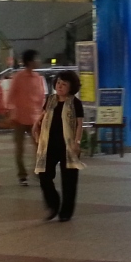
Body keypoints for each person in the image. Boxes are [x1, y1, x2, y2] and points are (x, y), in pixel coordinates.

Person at [35, 70, 85, 222]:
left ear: (71, 87)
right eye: (58, 83)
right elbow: (43, 115)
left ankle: (65, 213)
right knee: (44, 175)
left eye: (64, 84)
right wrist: (36, 124)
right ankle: (53, 204)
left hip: (68, 145)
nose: (60, 86)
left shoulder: (75, 103)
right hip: (49, 144)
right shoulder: (50, 100)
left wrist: (77, 142)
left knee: (69, 179)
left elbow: (79, 124)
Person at [8, 50, 47, 186]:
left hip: (35, 118)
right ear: (30, 61)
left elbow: (42, 98)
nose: (39, 61)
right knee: (20, 149)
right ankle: (22, 176)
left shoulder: (39, 78)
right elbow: (11, 95)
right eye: (37, 59)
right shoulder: (18, 77)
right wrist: (11, 112)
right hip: (19, 118)